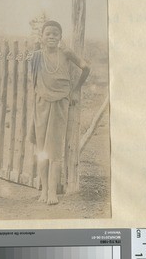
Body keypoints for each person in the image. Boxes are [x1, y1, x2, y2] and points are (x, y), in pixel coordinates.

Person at [29, 20, 90, 205]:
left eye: (55, 33)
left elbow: (86, 67)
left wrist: (75, 90)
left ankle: (53, 193)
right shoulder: (37, 56)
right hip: (41, 105)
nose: (52, 37)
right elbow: (33, 81)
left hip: (60, 104)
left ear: (60, 37)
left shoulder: (66, 53)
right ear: (42, 37)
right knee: (41, 150)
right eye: (48, 33)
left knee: (54, 150)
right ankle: (44, 191)